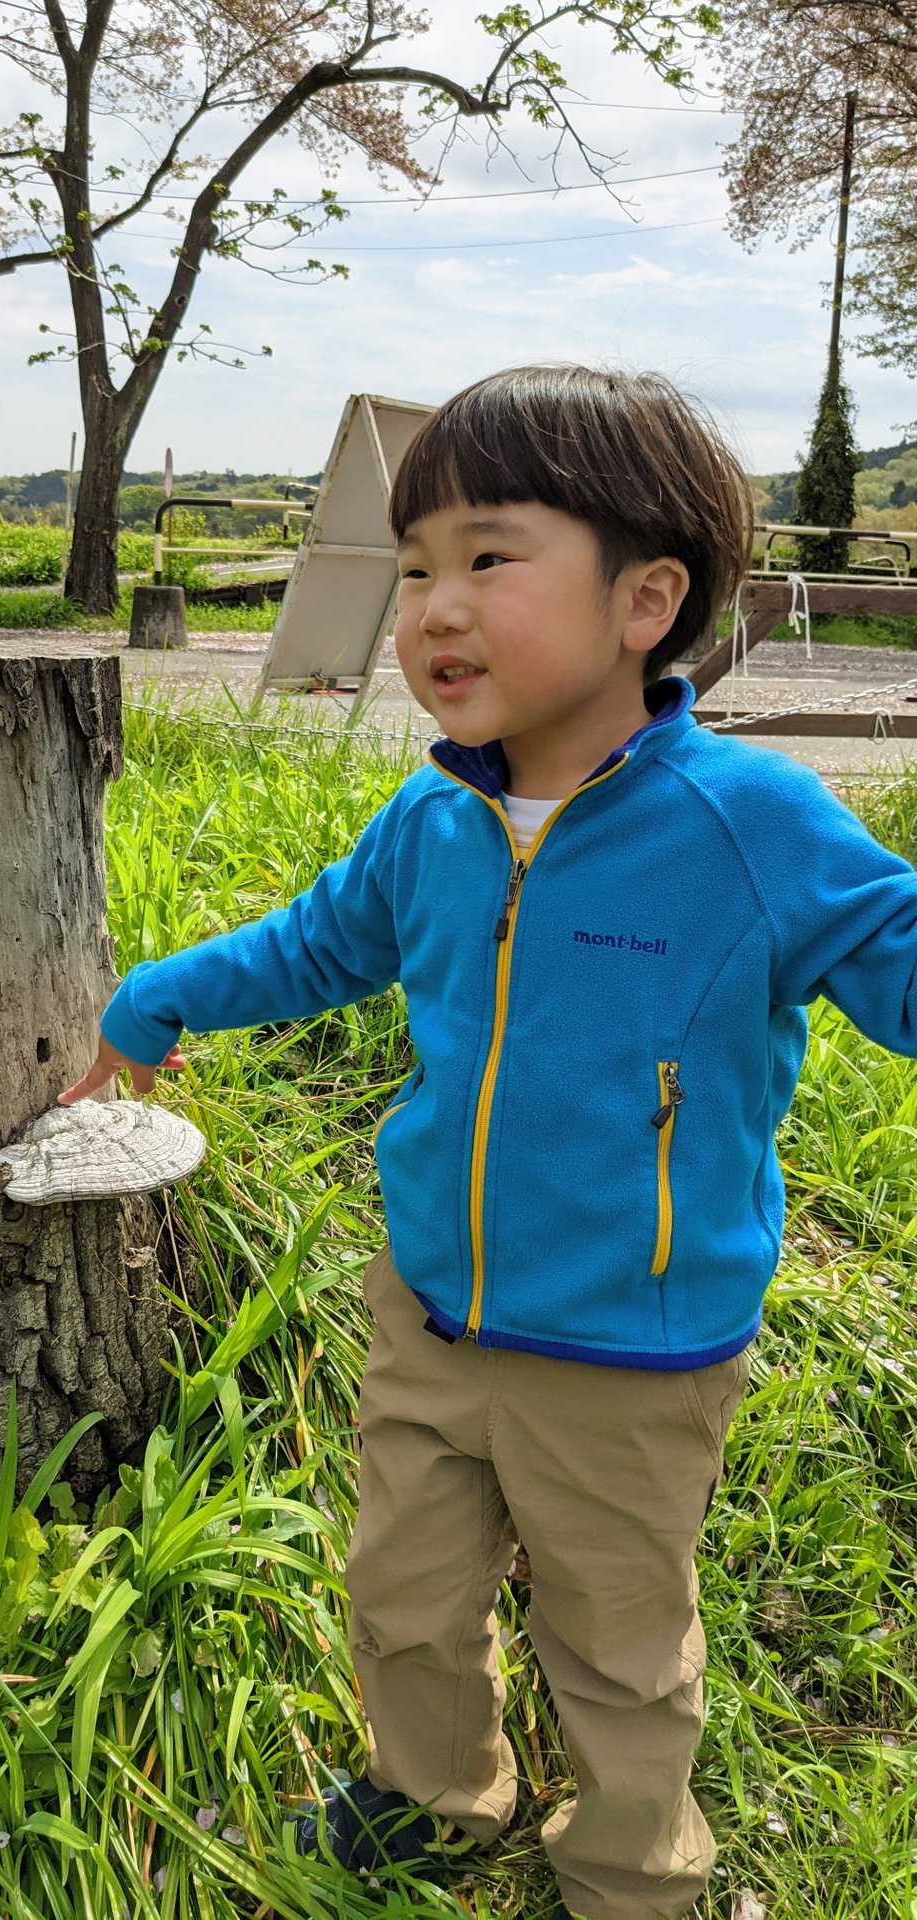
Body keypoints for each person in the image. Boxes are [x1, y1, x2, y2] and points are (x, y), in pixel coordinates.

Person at [58, 365, 917, 1920]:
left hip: (631, 1352)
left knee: (616, 1641)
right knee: (401, 1594)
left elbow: (897, 958)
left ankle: (633, 1875)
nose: (434, 609)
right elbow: (319, 944)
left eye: (488, 557)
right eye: (414, 568)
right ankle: (436, 1801)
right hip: (433, 1313)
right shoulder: (434, 818)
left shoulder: (754, 823)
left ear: (646, 599)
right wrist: (160, 995)